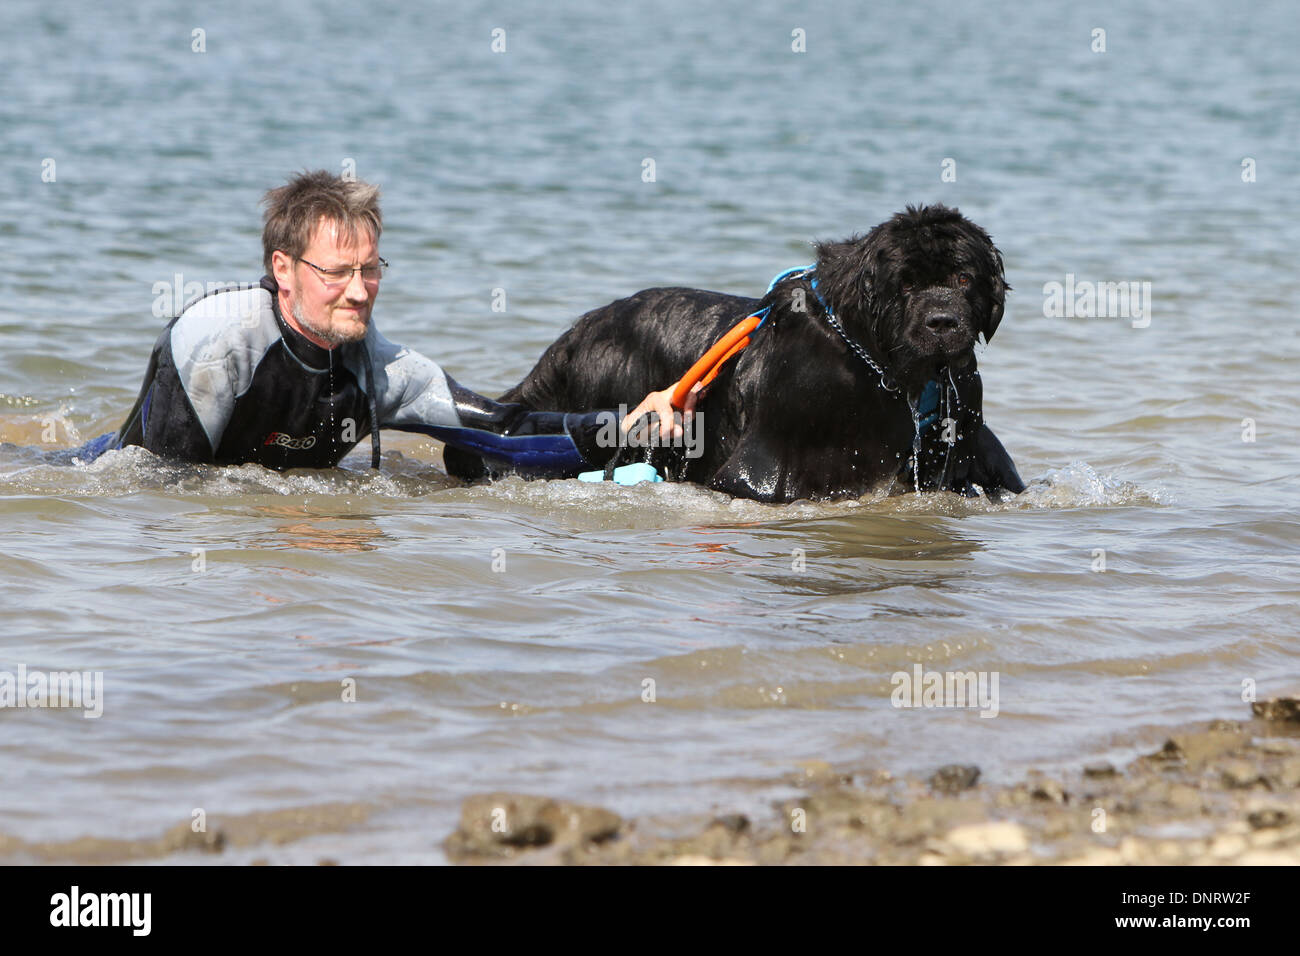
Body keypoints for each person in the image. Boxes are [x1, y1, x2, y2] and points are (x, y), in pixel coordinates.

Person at [74, 171, 688, 475]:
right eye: (338, 272)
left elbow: (507, 432)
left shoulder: (387, 371)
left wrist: (628, 428)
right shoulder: (217, 342)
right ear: (282, 268)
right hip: (104, 469)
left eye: (371, 270)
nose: (360, 291)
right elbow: (162, 489)